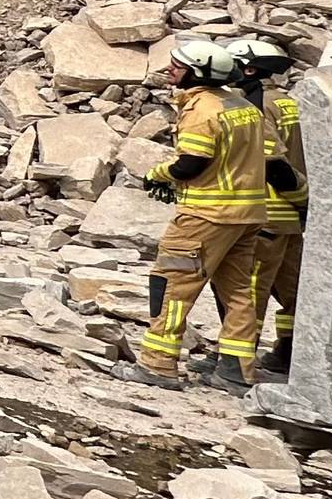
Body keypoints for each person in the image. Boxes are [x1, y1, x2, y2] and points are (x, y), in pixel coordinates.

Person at [116, 38, 267, 393]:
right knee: (239, 292)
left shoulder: (203, 109)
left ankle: (158, 364)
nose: (170, 70)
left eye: (177, 66)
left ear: (197, 72)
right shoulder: (241, 105)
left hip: (206, 214)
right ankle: (235, 370)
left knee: (172, 284)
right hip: (247, 215)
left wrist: (159, 174)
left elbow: (191, 164)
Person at [229, 37, 306, 381]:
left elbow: (272, 160)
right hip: (293, 218)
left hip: (269, 211)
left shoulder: (257, 106)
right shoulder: (290, 102)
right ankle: (289, 350)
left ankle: (236, 363)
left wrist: (300, 196)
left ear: (249, 69)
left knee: (251, 288)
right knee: (294, 289)